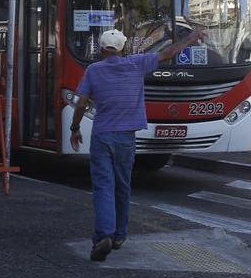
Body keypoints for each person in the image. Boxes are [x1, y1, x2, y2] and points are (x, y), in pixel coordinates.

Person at [70, 26, 209, 261]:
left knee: (104, 186)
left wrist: (74, 129)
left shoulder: (93, 70)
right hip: (126, 137)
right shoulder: (136, 63)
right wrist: (191, 38)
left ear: (102, 49)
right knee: (122, 185)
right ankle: (119, 235)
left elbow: (81, 102)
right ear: (122, 48)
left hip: (102, 135)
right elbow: (169, 52)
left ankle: (103, 235)